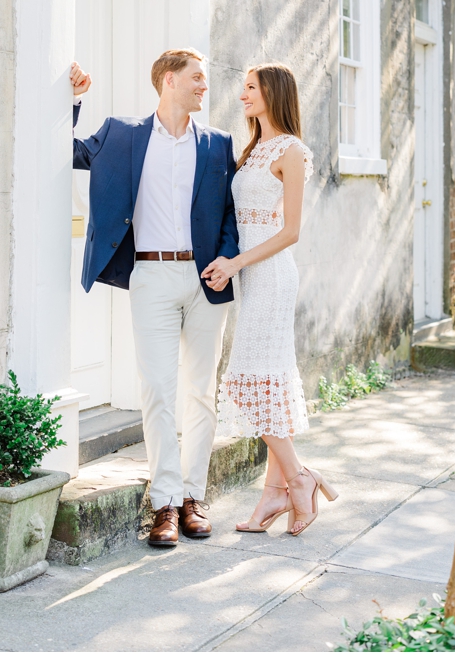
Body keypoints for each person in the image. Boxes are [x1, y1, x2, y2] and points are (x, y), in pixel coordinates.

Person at [69, 49, 240, 548]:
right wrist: (74, 100)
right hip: (150, 276)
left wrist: (226, 259)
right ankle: (164, 502)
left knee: (200, 392)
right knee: (159, 390)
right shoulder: (122, 134)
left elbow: (231, 213)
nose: (204, 88)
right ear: (169, 81)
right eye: (197, 79)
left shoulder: (217, 143)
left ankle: (194, 497)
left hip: (206, 278)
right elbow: (69, 152)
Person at [203, 63, 339, 535]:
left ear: (273, 93)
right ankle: (272, 498)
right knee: (269, 382)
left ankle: (300, 478)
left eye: (251, 88)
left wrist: (236, 263)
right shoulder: (253, 148)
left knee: (249, 379)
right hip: (250, 277)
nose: (242, 95)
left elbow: (292, 231)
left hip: (272, 276)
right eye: (243, 88)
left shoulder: (293, 151)